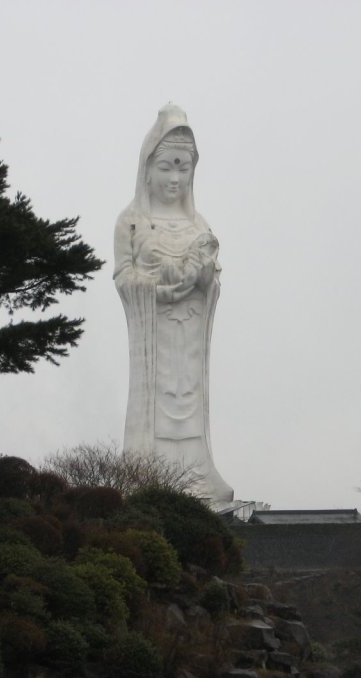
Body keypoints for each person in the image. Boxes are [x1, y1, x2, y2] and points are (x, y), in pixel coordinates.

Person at [114, 104, 233, 503]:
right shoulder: (131, 221)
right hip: (154, 333)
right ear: (148, 168)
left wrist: (204, 278)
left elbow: (213, 280)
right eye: (166, 167)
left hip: (190, 332)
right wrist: (156, 290)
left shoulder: (199, 225)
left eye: (184, 168)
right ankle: (147, 472)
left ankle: (198, 472)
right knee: (158, 400)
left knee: (189, 398)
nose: (175, 178)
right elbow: (124, 278)